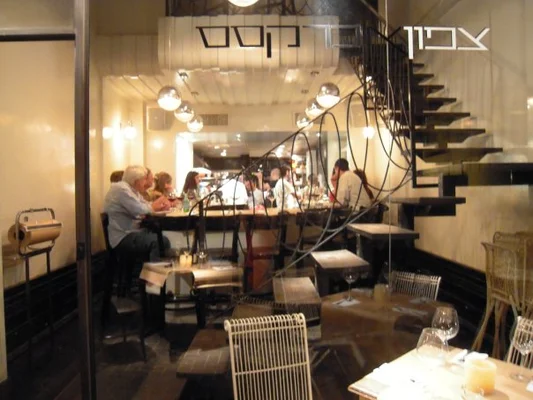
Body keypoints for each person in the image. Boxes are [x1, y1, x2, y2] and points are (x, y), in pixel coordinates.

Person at [104, 165, 171, 261]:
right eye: (144, 179)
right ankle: (151, 270)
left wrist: (159, 206)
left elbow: (145, 205)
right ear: (136, 180)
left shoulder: (132, 190)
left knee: (159, 235)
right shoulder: (121, 189)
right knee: (161, 241)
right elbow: (141, 209)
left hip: (131, 232)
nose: (145, 183)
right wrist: (157, 203)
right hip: (123, 237)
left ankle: (151, 266)